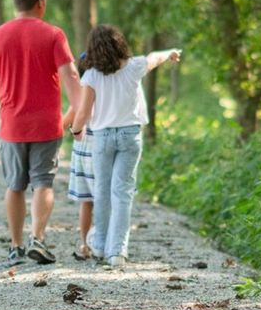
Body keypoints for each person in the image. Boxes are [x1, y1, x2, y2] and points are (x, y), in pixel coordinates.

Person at [0, 0, 82, 265]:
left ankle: (16, 246)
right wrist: (78, 112)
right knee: (43, 183)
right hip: (47, 125)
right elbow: (71, 75)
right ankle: (38, 239)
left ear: (15, 4)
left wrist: (9, 99)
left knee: (14, 185)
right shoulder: (53, 35)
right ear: (41, 2)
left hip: (12, 125)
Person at [69, 25, 181, 268]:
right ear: (120, 44)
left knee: (102, 190)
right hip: (130, 136)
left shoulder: (92, 76)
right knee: (122, 193)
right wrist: (170, 52)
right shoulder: (133, 66)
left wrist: (75, 130)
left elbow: (84, 111)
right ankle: (117, 252)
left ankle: (98, 244)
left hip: (103, 138)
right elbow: (154, 58)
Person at [63, 52, 96, 261]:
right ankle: (105, 242)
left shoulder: (82, 91)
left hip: (84, 147)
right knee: (105, 199)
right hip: (101, 146)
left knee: (87, 201)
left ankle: (84, 244)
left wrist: (63, 129)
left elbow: (71, 117)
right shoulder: (105, 89)